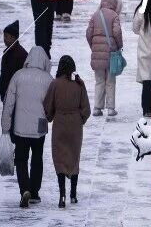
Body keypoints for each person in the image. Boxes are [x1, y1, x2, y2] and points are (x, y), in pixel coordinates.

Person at [1, 46, 53, 207]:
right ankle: (35, 192)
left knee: (21, 159)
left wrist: (5, 126)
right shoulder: (48, 79)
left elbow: (8, 103)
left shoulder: (18, 76)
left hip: (20, 126)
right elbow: (51, 105)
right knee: (37, 159)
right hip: (40, 125)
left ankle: (24, 189)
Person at [44, 55, 91, 208]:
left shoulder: (55, 84)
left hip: (60, 124)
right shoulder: (79, 85)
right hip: (75, 125)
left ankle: (62, 195)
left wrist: (51, 116)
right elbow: (86, 109)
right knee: (74, 158)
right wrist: (80, 120)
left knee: (60, 159)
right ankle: (74, 194)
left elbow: (48, 107)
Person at [84, 0, 123, 117]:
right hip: (111, 53)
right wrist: (119, 45)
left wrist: (93, 46)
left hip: (97, 53)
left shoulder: (95, 15)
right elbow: (117, 32)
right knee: (110, 81)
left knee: (99, 81)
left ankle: (97, 108)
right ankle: (111, 108)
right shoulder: (114, 15)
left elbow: (88, 33)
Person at [0, 20, 27, 102]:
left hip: (12, 92)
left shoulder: (20, 54)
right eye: (4, 36)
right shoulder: (8, 51)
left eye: (6, 36)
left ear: (13, 37)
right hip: (7, 90)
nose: (4, 39)